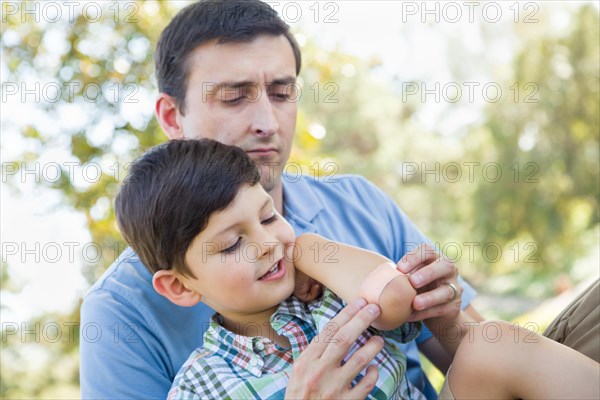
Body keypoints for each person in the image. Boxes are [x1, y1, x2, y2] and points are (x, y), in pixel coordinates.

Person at [79, 0, 599, 398]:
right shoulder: (123, 311)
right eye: (234, 96)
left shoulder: (355, 205)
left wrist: (446, 320)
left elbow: (482, 360)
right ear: (172, 117)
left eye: (281, 93)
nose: (266, 120)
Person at [113, 138, 599, 400]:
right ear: (179, 286)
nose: (266, 244)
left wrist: (309, 248)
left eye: (267, 216)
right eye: (232, 244)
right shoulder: (202, 385)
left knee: (494, 350)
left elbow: (395, 302)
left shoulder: (326, 292)